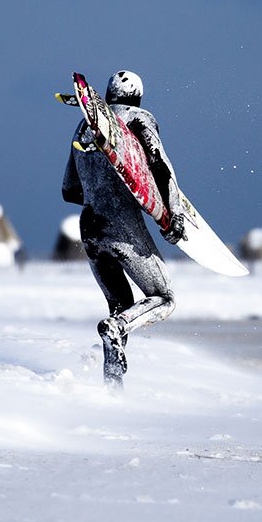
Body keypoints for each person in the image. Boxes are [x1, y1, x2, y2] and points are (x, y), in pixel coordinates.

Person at [61, 70, 187, 388]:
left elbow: (69, 190)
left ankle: (113, 389)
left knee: (120, 306)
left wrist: (99, 186)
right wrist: (174, 213)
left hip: (89, 226)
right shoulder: (139, 118)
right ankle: (115, 330)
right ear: (138, 97)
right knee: (163, 297)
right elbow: (158, 163)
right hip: (122, 226)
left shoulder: (85, 125)